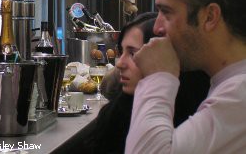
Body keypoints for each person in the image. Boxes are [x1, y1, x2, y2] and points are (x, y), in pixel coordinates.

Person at [126, 0, 246, 154]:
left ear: (210, 17)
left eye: (167, 12)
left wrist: (158, 76)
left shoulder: (240, 93)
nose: (157, 28)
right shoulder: (229, 84)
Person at [58, 12, 209, 154]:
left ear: (165, 57)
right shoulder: (118, 112)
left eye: (132, 53)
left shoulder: (193, 124)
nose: (120, 64)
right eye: (121, 51)